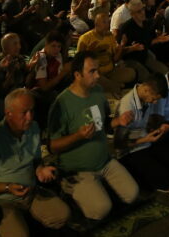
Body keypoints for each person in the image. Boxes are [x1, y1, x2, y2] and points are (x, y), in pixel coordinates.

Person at [47, 55, 140, 223]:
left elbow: (102, 125)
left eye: (97, 70)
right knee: (101, 210)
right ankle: (68, 188)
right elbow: (52, 147)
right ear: (77, 75)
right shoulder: (62, 104)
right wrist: (78, 136)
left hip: (104, 161)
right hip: (78, 169)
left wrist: (118, 121)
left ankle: (98, 188)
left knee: (132, 195)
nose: (98, 75)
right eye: (92, 71)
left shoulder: (97, 91)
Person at [0, 88, 71, 237]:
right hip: (4, 201)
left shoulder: (33, 128)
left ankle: (27, 219)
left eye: (32, 111)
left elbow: (36, 160)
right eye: (24, 112)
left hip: (31, 191)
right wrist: (8, 187)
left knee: (62, 215)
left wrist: (40, 170)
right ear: (8, 113)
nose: (29, 117)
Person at [76, 12, 136, 97]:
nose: (107, 25)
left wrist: (121, 46)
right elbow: (78, 62)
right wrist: (91, 51)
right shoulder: (85, 38)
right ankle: (114, 86)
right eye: (104, 22)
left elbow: (115, 59)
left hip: (110, 72)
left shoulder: (110, 36)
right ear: (96, 23)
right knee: (111, 85)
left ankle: (110, 85)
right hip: (95, 74)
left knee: (132, 73)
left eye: (108, 22)